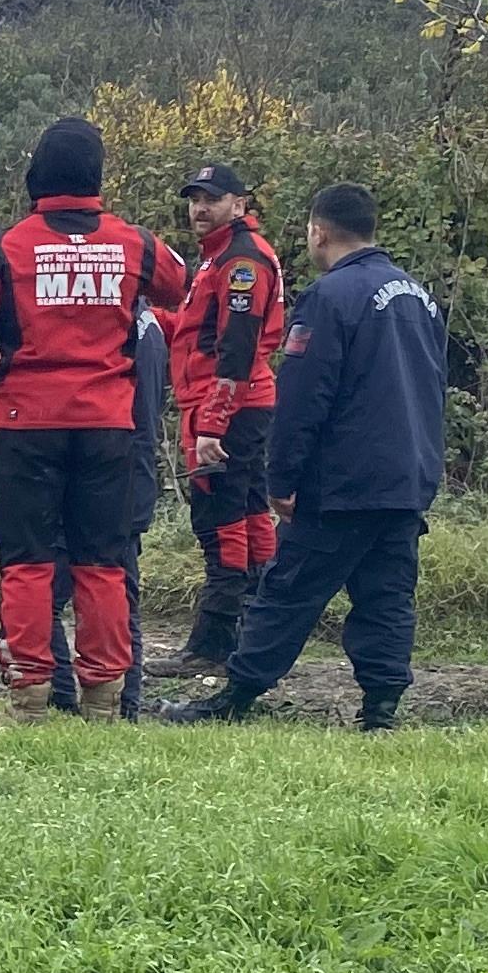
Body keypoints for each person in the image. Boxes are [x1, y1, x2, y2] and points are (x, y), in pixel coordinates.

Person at [157, 183, 444, 730]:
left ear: (319, 232)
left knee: (287, 591)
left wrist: (283, 477)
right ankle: (381, 709)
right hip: (405, 476)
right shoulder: (417, 295)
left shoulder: (328, 297)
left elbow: (304, 396)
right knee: (387, 595)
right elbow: (433, 385)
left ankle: (236, 695)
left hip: (342, 481)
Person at [0, 116, 186, 718]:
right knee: (103, 563)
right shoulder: (136, 243)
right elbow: (179, 286)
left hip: (25, 424)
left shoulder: (3, 249)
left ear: (36, 175)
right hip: (108, 426)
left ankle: (30, 696)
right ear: (96, 176)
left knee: (27, 562)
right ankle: (103, 698)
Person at [149, 162, 281, 681]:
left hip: (225, 408)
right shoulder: (217, 258)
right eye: (194, 199)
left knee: (220, 522)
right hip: (229, 405)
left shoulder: (240, 261)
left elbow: (237, 350)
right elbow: (198, 332)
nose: (200, 208)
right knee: (248, 515)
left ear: (239, 204)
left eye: (212, 199)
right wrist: (147, 316)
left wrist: (212, 425)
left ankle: (213, 644)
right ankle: (261, 632)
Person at [52, 292, 171, 717]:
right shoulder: (146, 324)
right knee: (116, 596)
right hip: (129, 473)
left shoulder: (120, 326)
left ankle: (68, 699)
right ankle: (117, 703)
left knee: (51, 592)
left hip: (106, 476)